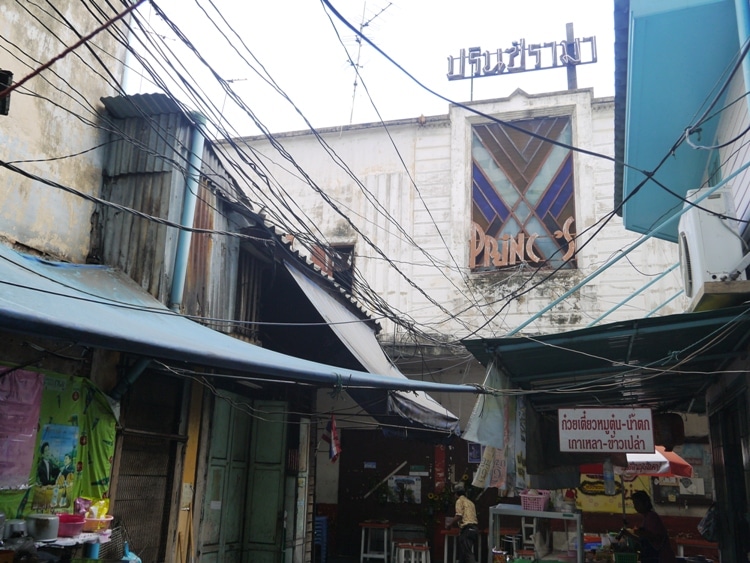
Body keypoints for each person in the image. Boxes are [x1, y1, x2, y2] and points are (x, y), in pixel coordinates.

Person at [621, 491, 676, 563]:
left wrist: (641, 532)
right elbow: (644, 541)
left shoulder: (652, 517)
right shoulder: (646, 518)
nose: (636, 507)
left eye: (637, 504)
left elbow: (655, 538)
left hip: (662, 557)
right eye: (634, 504)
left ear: (646, 503)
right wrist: (629, 534)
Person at [445, 483, 479, 563]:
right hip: (474, 529)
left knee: (467, 553)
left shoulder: (459, 501)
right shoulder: (471, 503)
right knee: (463, 553)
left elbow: (459, 516)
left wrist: (449, 524)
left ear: (456, 494)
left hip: (467, 529)